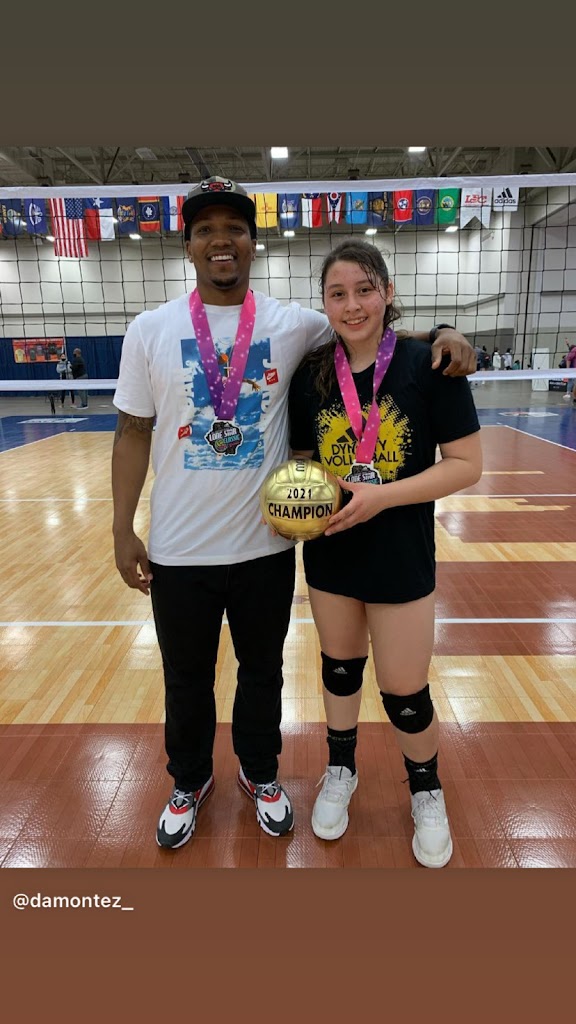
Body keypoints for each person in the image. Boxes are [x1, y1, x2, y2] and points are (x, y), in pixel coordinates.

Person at [111, 177, 478, 852]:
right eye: (205, 229)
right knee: (185, 679)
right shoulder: (149, 330)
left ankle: (260, 773)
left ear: (253, 242)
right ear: (188, 245)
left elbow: (367, 331)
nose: (221, 240)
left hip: (268, 546)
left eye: (234, 227)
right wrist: (120, 526)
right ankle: (189, 781)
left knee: (264, 674)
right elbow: (133, 431)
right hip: (177, 548)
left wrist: (444, 332)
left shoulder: (292, 325)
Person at [288, 239, 482, 868]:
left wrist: (383, 496)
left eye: (365, 290)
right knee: (340, 671)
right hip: (332, 553)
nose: (352, 305)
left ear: (388, 293)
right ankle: (340, 770)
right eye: (337, 293)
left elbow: (466, 465)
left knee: (404, 691)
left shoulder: (429, 365)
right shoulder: (312, 374)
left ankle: (426, 789)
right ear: (324, 303)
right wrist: (302, 497)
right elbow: (302, 461)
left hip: (401, 553)